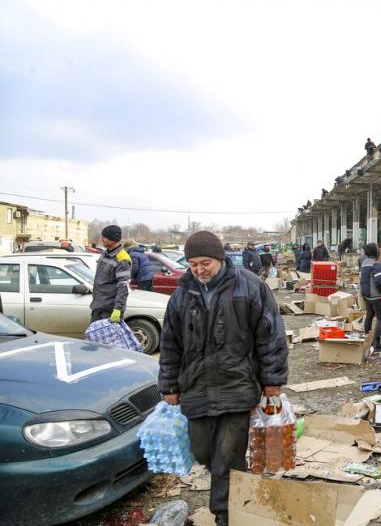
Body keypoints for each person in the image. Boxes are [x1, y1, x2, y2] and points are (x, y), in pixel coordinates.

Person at [158, 231, 288, 526]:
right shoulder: (182, 295)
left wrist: (272, 380)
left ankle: (225, 514)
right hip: (195, 387)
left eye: (205, 263)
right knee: (203, 451)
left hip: (236, 386)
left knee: (228, 454)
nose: (199, 270)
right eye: (193, 264)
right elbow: (170, 343)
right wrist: (169, 385)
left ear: (220, 258)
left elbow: (270, 335)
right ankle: (234, 496)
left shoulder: (250, 286)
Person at [90, 225, 132, 323]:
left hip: (109, 311)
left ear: (113, 239)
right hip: (98, 307)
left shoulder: (122, 259)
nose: (102, 239)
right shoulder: (105, 253)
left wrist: (118, 308)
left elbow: (123, 285)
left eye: (104, 237)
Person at [360, 243, 381, 353]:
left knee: (369, 315)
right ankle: (376, 342)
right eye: (377, 249)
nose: (379, 250)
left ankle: (368, 338)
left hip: (366, 294)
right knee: (380, 318)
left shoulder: (364, 263)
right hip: (375, 295)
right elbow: (379, 281)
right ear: (375, 252)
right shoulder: (376, 264)